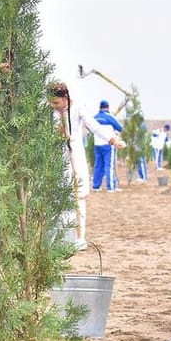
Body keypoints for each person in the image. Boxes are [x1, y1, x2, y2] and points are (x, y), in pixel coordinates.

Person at [48, 81, 124, 250]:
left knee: (78, 194)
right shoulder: (50, 111)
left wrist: (112, 140)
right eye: (52, 103)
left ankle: (78, 237)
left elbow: (94, 127)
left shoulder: (78, 108)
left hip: (76, 154)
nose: (55, 106)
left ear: (65, 98)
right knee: (58, 195)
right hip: (55, 155)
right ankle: (60, 237)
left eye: (57, 103)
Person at [91, 100, 123, 191]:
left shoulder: (95, 117)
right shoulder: (110, 117)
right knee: (109, 165)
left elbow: (89, 128)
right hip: (109, 144)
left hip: (97, 144)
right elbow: (120, 128)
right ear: (108, 107)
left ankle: (96, 186)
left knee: (98, 165)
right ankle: (111, 187)